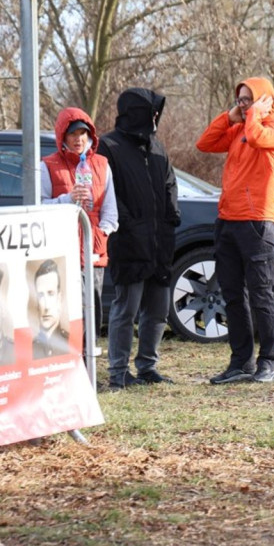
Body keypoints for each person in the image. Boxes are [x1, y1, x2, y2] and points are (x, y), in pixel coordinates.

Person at [196, 76, 274, 384]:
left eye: (249, 99)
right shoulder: (239, 128)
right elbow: (205, 143)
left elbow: (259, 137)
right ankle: (241, 361)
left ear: (266, 101)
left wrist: (253, 115)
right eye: (240, 99)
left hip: (257, 222)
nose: (243, 105)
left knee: (262, 294)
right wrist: (228, 117)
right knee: (233, 294)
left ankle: (268, 361)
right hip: (227, 220)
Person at [98, 87, 180, 390]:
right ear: (139, 112)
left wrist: (172, 217)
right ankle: (118, 371)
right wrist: (126, 224)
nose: (156, 117)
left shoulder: (157, 147)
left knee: (158, 309)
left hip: (160, 242)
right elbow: (107, 192)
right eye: (152, 111)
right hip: (129, 242)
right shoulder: (108, 146)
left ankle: (147, 366)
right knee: (125, 310)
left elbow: (171, 184)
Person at [40, 107, 118, 338]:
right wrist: (67, 199)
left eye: (83, 134)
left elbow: (110, 210)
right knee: (64, 313)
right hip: (60, 250)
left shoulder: (102, 164)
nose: (78, 139)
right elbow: (39, 207)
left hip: (93, 251)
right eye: (73, 134)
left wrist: (102, 232)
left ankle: (90, 367)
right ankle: (68, 365)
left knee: (92, 311)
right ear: (62, 136)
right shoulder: (48, 165)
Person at [31, 259, 71, 359]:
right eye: (40, 295)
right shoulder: (31, 349)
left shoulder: (70, 343)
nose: (46, 306)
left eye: (50, 294)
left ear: (59, 299)